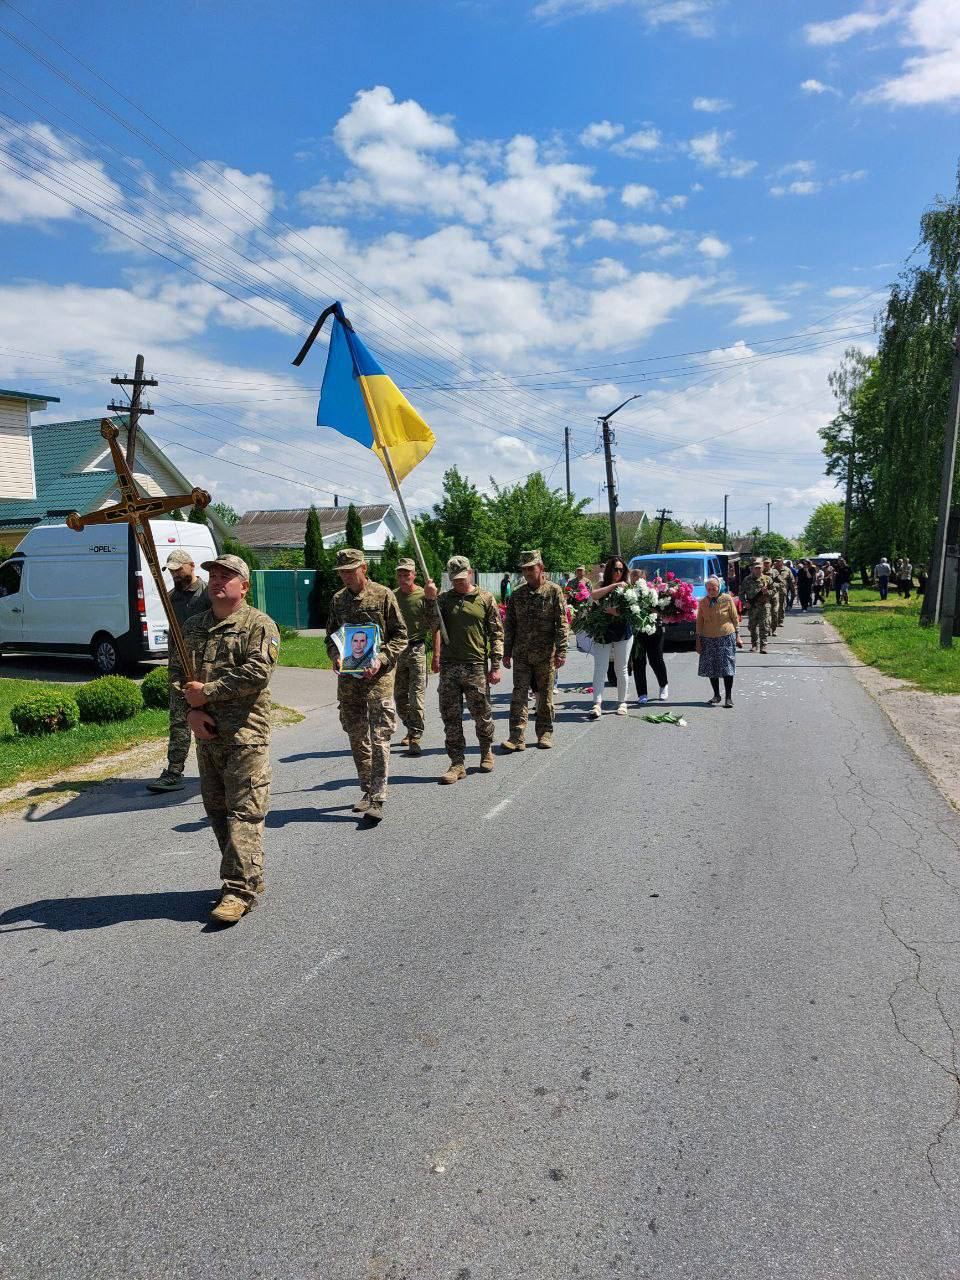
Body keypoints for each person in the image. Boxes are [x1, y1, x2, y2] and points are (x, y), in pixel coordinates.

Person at [169, 554, 280, 925]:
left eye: (227, 576)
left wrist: (209, 693)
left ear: (244, 586)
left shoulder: (258, 624)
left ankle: (237, 890)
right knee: (217, 810)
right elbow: (176, 676)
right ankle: (249, 874)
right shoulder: (194, 626)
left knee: (244, 812)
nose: (217, 580)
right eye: (213, 575)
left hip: (246, 735)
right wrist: (191, 712)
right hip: (207, 735)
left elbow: (258, 673)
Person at [325, 547, 407, 823]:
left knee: (380, 736)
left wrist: (382, 659)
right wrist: (336, 655)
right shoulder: (337, 600)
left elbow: (400, 636)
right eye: (342, 573)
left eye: (351, 571)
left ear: (364, 569)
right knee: (356, 735)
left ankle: (378, 798)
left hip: (378, 679)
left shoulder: (383, 595)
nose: (346, 577)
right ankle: (367, 789)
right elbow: (331, 636)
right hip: (349, 681)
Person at [424, 555, 503, 784]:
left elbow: (497, 633)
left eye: (462, 578)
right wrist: (430, 600)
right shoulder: (444, 600)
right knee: (451, 717)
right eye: (454, 579)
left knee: (482, 715)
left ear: (470, 573)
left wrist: (495, 665)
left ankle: (486, 750)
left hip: (475, 666)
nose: (458, 583)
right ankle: (457, 763)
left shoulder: (485, 598)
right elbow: (432, 624)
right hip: (450, 667)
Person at [147, 549, 210, 794]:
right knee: (178, 720)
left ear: (191, 566)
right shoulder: (171, 597)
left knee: (212, 717)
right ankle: (174, 771)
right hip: (179, 669)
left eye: (178, 569)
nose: (175, 574)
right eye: (171, 570)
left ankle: (218, 767)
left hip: (206, 667)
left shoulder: (207, 595)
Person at [502, 549, 569, 751]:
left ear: (541, 568)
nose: (528, 573)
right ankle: (516, 737)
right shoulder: (517, 594)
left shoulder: (553, 591)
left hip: (545, 654)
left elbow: (562, 623)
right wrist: (506, 652)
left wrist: (562, 651)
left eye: (531, 568)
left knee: (545, 696)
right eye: (525, 569)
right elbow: (510, 625)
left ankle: (545, 733)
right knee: (519, 695)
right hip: (521, 654)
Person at [394, 557, 438, 757]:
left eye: (407, 575)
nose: (403, 579)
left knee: (416, 697)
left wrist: (436, 655)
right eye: (400, 575)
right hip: (397, 652)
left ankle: (415, 736)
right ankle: (410, 727)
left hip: (417, 649)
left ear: (414, 575)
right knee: (399, 698)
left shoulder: (423, 596)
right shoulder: (392, 597)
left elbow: (435, 627)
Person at [587, 556, 633, 718]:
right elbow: (594, 595)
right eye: (615, 569)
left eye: (621, 569)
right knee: (600, 668)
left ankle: (622, 702)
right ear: (609, 570)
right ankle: (597, 704)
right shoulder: (603, 585)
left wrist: (616, 612)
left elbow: (632, 609)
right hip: (603, 631)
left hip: (622, 632)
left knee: (621, 668)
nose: (618, 572)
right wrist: (613, 586)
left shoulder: (629, 587)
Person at [696, 576, 738, 708]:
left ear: (719, 587)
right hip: (708, 638)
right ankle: (716, 695)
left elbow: (734, 617)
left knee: (727, 667)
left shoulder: (727, 599)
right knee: (711, 667)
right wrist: (698, 640)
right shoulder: (702, 602)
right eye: (708, 588)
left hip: (726, 636)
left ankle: (728, 698)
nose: (711, 590)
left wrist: (738, 635)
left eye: (713, 588)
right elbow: (699, 622)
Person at [740, 558, 770, 653]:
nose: (758, 570)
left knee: (764, 626)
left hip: (764, 606)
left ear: (763, 568)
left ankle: (763, 646)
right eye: (756, 568)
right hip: (752, 607)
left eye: (759, 568)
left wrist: (767, 592)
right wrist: (745, 603)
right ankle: (754, 644)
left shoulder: (767, 579)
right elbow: (741, 593)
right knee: (752, 626)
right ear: (752, 569)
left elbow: (774, 591)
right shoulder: (747, 579)